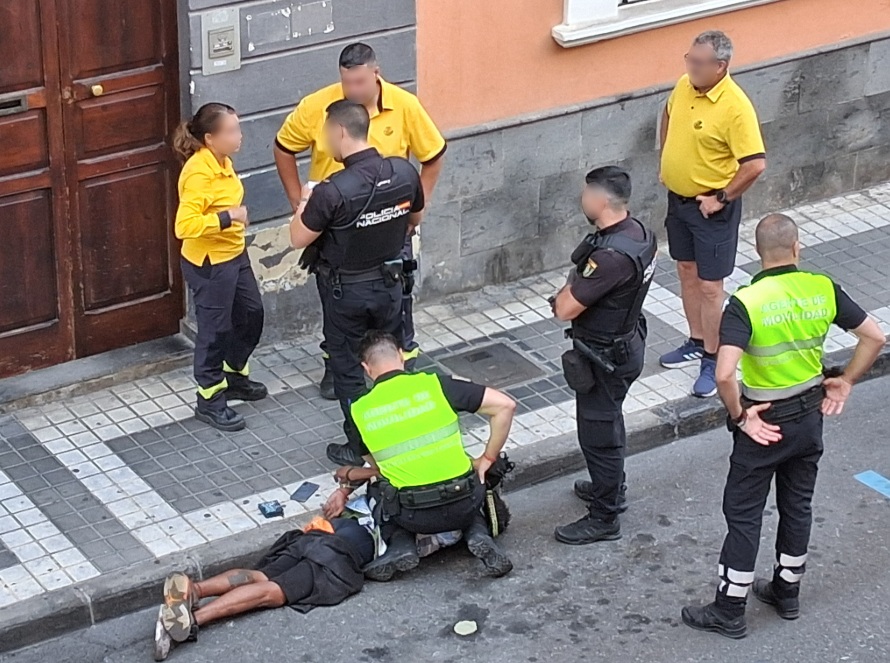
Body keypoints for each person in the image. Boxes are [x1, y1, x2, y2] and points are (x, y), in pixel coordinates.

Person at [682, 214, 885, 639]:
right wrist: (844, 382)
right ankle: (787, 591)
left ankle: (730, 607)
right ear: (797, 248)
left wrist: (741, 417)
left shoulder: (746, 302)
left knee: (743, 515)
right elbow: (874, 336)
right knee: (798, 505)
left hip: (765, 421)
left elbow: (723, 374)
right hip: (810, 418)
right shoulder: (822, 287)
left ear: (757, 254)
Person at [274, 42, 446, 401]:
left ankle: (397, 364)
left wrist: (417, 209)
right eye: (346, 83)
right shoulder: (318, 106)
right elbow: (284, 146)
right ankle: (338, 366)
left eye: (360, 83)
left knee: (396, 300)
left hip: (387, 225)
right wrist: (297, 201)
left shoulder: (404, 106)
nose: (352, 91)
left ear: (376, 74)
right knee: (336, 300)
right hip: (334, 226)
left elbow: (433, 156)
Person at [289, 101, 425, 467]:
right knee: (390, 359)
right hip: (390, 285)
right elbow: (415, 216)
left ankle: (359, 447)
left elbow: (298, 238)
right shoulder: (403, 171)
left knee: (349, 370)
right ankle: (401, 430)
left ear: (340, 132)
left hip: (345, 292)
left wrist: (305, 200)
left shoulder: (332, 191)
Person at [322, 330, 516, 580]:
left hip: (413, 515)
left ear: (366, 369)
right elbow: (506, 405)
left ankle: (400, 544)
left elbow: (381, 469)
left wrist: (347, 482)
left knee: (379, 488)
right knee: (472, 479)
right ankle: (478, 534)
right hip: (465, 499)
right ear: (401, 357)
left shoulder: (358, 411)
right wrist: (488, 458)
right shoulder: (436, 384)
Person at [550, 166, 657, 545]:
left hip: (605, 356)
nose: (582, 200)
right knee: (609, 422)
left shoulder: (609, 257)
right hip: (626, 342)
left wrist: (570, 286)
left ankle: (605, 515)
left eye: (585, 194)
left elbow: (564, 308)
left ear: (600, 200)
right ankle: (609, 484)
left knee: (598, 434)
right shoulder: (639, 234)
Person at [658, 30, 767, 398]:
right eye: (688, 59)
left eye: (698, 63)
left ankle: (712, 356)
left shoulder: (735, 107)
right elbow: (668, 111)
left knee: (710, 286)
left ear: (720, 66)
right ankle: (695, 339)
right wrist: (666, 158)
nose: (690, 68)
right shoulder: (685, 86)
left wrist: (721, 197)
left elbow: (754, 164)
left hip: (710, 209)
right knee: (685, 271)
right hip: (679, 201)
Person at [152, 516, 373, 660]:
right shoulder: (393, 517)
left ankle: (194, 590)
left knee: (260, 575)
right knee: (273, 591)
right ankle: (193, 619)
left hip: (316, 537)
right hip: (336, 555)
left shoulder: (358, 501)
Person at [173, 104, 267, 432]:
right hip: (210, 264)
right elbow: (184, 226)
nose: (239, 136)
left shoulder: (223, 161)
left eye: (237, 128)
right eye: (231, 131)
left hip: (234, 254)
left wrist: (235, 217)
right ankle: (210, 399)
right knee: (214, 331)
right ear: (210, 138)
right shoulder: (199, 172)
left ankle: (235, 375)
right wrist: (230, 217)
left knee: (252, 314)